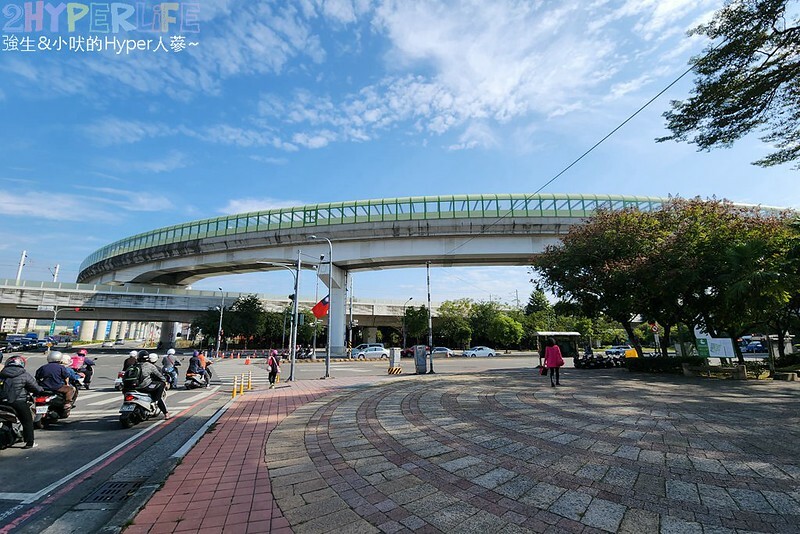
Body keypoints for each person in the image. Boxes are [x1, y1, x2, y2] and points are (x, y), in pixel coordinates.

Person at [0, 356, 47, 449]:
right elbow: (36, 388)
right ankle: (30, 443)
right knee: (27, 421)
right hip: (19, 402)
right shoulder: (24, 374)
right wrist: (41, 391)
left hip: (2, 402)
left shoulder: (2, 374)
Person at [138, 353, 169, 419]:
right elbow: (160, 376)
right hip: (145, 386)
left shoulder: (135, 365)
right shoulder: (152, 366)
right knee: (158, 397)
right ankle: (166, 413)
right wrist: (165, 382)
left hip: (134, 387)